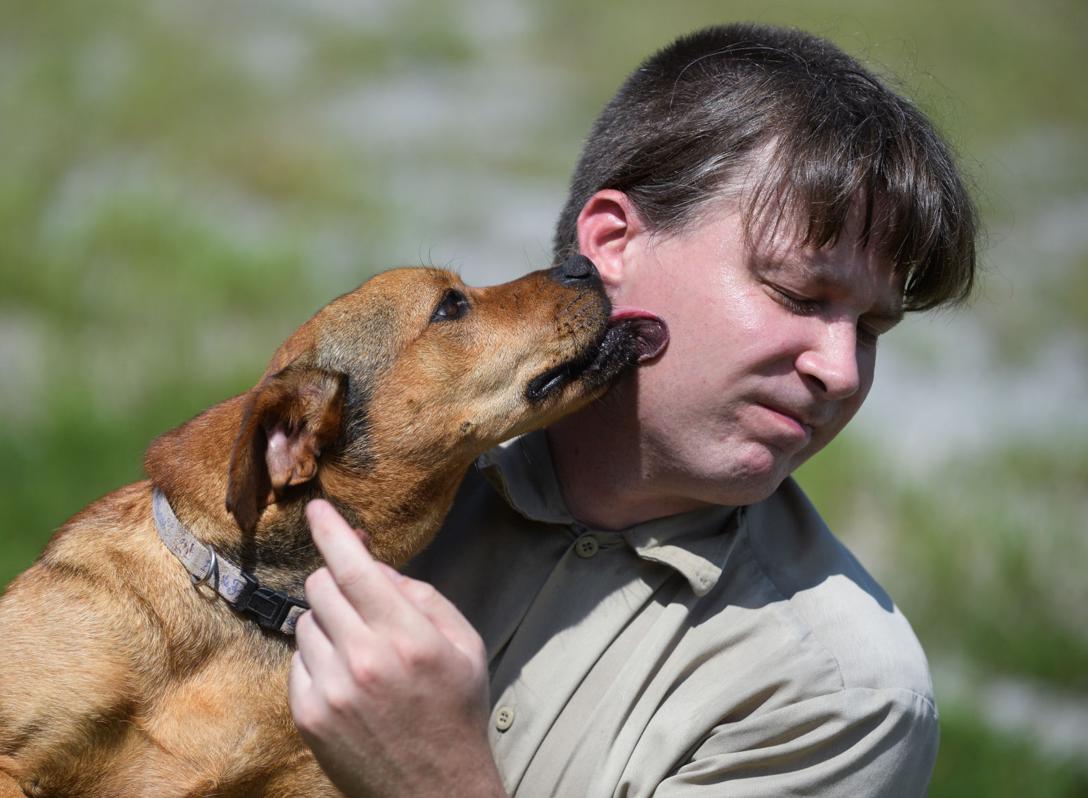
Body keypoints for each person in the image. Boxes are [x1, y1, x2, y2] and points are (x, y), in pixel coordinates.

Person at [287, 23, 977, 798]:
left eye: (873, 329)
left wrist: (437, 778)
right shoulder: (369, 475)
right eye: (798, 294)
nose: (841, 372)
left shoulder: (841, 701)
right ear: (613, 241)